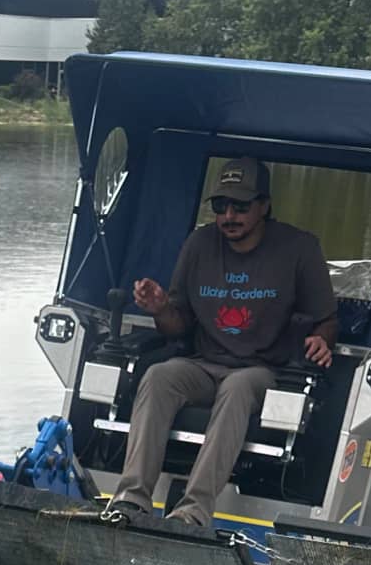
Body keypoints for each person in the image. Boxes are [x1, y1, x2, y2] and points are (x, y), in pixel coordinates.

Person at [110, 157, 337, 533]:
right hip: (203, 363)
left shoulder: (299, 248)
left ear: (264, 206)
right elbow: (177, 325)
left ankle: (193, 512)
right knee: (159, 375)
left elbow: (327, 320)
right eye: (220, 206)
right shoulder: (199, 244)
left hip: (262, 370)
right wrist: (160, 308)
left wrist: (321, 340)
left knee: (237, 387)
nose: (229, 216)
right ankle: (131, 499)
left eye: (241, 206)